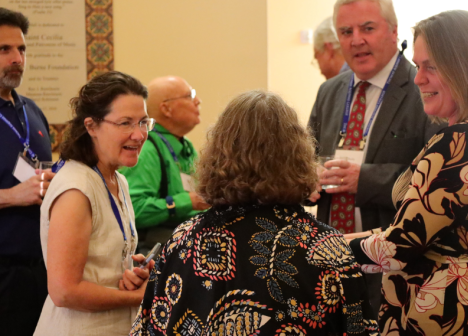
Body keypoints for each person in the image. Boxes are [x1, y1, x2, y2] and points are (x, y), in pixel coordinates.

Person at [131, 90, 379, 336]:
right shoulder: (327, 248)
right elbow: (359, 327)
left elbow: (149, 327)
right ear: (299, 155)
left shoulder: (183, 239)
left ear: (217, 153)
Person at [347, 10, 468, 335]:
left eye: (432, 66)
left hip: (455, 321)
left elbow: (397, 247)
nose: (418, 78)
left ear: (466, 67)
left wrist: (318, 246)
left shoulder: (459, 140)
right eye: (418, 66)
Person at [308, 0, 444, 310]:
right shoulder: (329, 92)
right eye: (346, 31)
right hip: (331, 263)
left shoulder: (423, 89)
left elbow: (435, 181)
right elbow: (309, 157)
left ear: (393, 32)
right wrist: (309, 176)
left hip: (397, 271)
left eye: (367, 28)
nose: (356, 40)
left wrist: (364, 179)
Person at [34, 71, 155, 336]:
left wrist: (130, 272)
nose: (139, 135)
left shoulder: (118, 180)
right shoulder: (77, 188)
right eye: (125, 123)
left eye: (143, 122)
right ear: (91, 127)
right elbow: (64, 292)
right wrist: (140, 297)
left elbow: (99, 269)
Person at [0, 8, 54, 335]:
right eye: (4, 50)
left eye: (21, 49)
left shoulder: (30, 110)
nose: (17, 58)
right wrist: (10, 196)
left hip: (41, 268)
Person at [120, 76, 209, 255]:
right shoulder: (146, 149)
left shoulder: (187, 146)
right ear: (166, 109)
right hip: (158, 253)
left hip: (189, 246)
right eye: (190, 95)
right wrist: (187, 202)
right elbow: (132, 210)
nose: (198, 101)